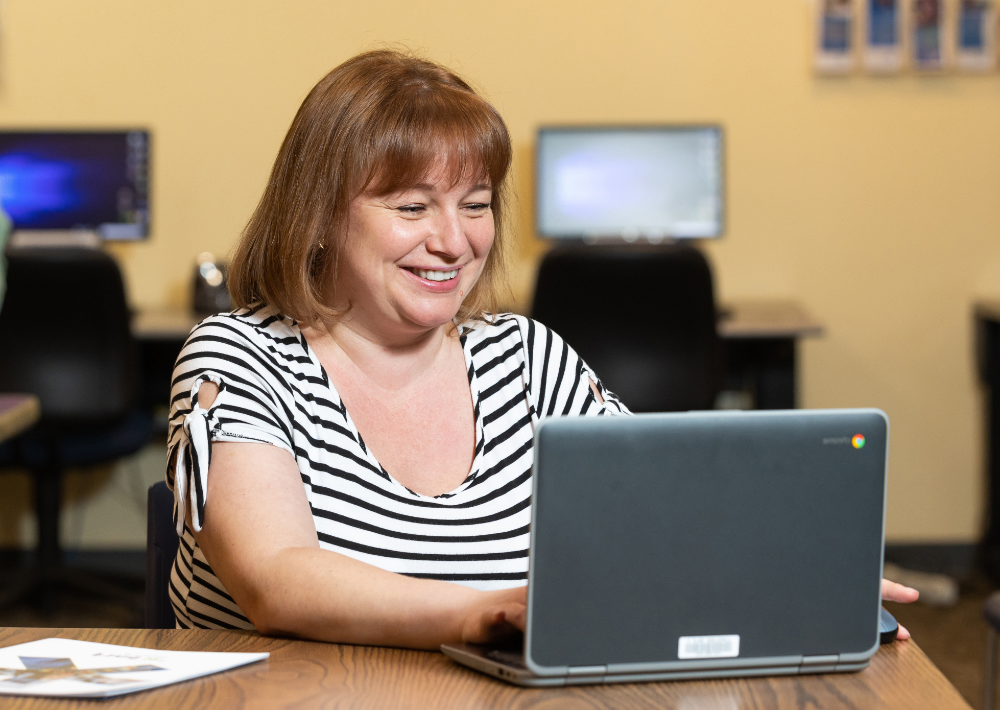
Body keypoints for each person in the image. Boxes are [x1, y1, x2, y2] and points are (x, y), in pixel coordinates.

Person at [166, 50, 917, 647]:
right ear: (322, 216)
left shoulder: (526, 358)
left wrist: (790, 563)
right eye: (412, 207)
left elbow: (672, 507)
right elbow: (277, 579)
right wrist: (477, 614)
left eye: (475, 205)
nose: (453, 241)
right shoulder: (235, 358)